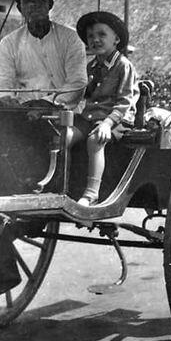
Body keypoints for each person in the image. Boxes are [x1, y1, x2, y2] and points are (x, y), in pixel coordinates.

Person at [0, 0, 87, 108]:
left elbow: (77, 82)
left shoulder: (71, 38)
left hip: (64, 112)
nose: (35, 5)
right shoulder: (9, 44)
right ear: (20, 8)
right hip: (23, 113)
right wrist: (10, 102)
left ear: (50, 5)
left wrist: (47, 103)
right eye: (28, 0)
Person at [72, 11, 139, 206]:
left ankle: (91, 194)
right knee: (63, 136)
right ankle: (58, 186)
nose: (95, 40)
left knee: (96, 139)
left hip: (117, 119)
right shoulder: (91, 67)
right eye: (91, 36)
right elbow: (83, 96)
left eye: (102, 35)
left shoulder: (123, 66)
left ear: (116, 39)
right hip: (90, 117)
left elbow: (126, 101)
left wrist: (107, 124)